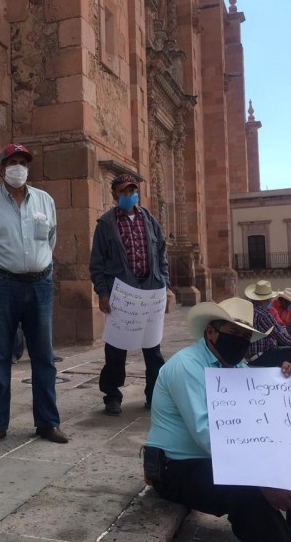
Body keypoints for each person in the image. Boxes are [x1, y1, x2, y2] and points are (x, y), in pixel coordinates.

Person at [143, 297, 291, 542]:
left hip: (218, 459)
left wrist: (285, 382)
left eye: (246, 336)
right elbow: (208, 435)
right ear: (211, 332)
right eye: (234, 332)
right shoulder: (186, 366)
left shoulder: (238, 369)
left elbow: (263, 416)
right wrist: (264, 482)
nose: (241, 341)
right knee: (248, 491)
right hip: (177, 466)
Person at [0, 143, 67, 446]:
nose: (19, 167)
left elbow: (51, 239)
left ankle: (48, 422)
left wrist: (37, 266)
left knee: (44, 355)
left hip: (40, 284)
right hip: (1, 285)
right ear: (2, 168)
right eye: (12, 162)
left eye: (23, 162)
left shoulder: (44, 200)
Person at [89, 173, 169, 415]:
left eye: (132, 190)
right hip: (122, 295)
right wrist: (103, 293)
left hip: (150, 292)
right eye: (123, 191)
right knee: (116, 348)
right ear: (114, 194)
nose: (129, 195)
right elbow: (97, 264)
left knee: (153, 350)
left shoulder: (150, 221)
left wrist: (164, 283)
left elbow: (162, 255)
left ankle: (154, 395)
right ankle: (112, 395)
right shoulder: (106, 225)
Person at [243, 280, 291, 371]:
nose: (270, 300)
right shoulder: (264, 315)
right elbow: (283, 337)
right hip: (262, 356)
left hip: (251, 356)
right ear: (266, 299)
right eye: (269, 298)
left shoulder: (249, 310)